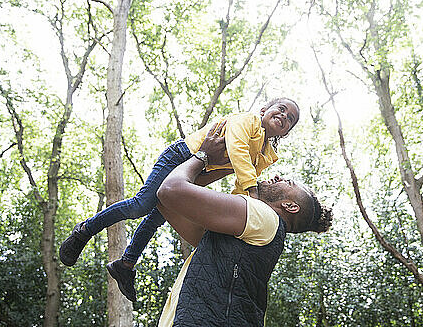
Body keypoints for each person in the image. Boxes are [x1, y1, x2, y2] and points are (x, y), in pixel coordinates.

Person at [59, 98, 300, 302]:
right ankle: (84, 230)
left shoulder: (266, 156)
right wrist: (252, 192)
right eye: (280, 108)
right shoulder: (247, 121)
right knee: (141, 204)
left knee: (157, 218)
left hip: (198, 174)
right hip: (182, 155)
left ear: (286, 132)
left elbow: (237, 180)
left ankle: (125, 265)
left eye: (289, 118)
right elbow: (237, 151)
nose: (283, 115)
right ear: (264, 110)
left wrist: (245, 208)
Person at [155, 123, 332, 327]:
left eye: (288, 182)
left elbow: (169, 190)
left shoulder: (265, 216)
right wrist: (226, 166)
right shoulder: (247, 235)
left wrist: (203, 155)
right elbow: (165, 201)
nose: (277, 177)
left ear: (290, 206)